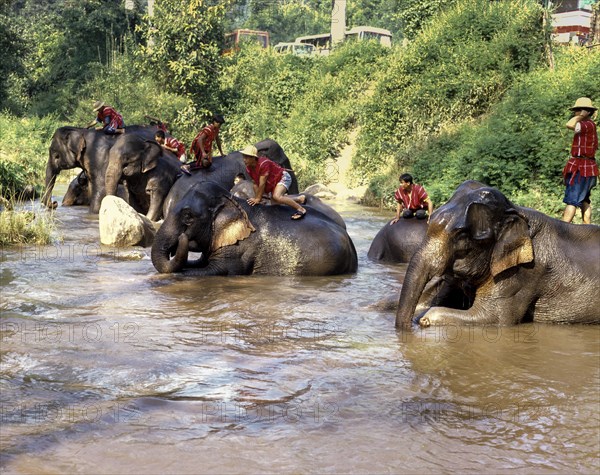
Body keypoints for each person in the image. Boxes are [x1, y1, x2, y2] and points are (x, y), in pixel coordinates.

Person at [241, 145, 307, 220]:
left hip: (282, 177)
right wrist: (259, 198)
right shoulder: (249, 168)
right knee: (275, 203)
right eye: (244, 157)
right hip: (274, 182)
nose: (244, 160)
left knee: (277, 196)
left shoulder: (263, 164)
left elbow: (262, 183)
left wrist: (257, 199)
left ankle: (301, 209)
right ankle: (299, 199)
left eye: (246, 157)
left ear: (253, 157)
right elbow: (256, 184)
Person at [561, 97, 598, 224]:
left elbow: (569, 124)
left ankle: (563, 230)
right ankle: (587, 228)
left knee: (572, 200)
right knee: (585, 200)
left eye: (578, 110)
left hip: (581, 168)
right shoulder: (590, 125)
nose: (575, 113)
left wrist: (581, 116)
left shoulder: (585, 125)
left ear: (586, 111)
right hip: (588, 167)